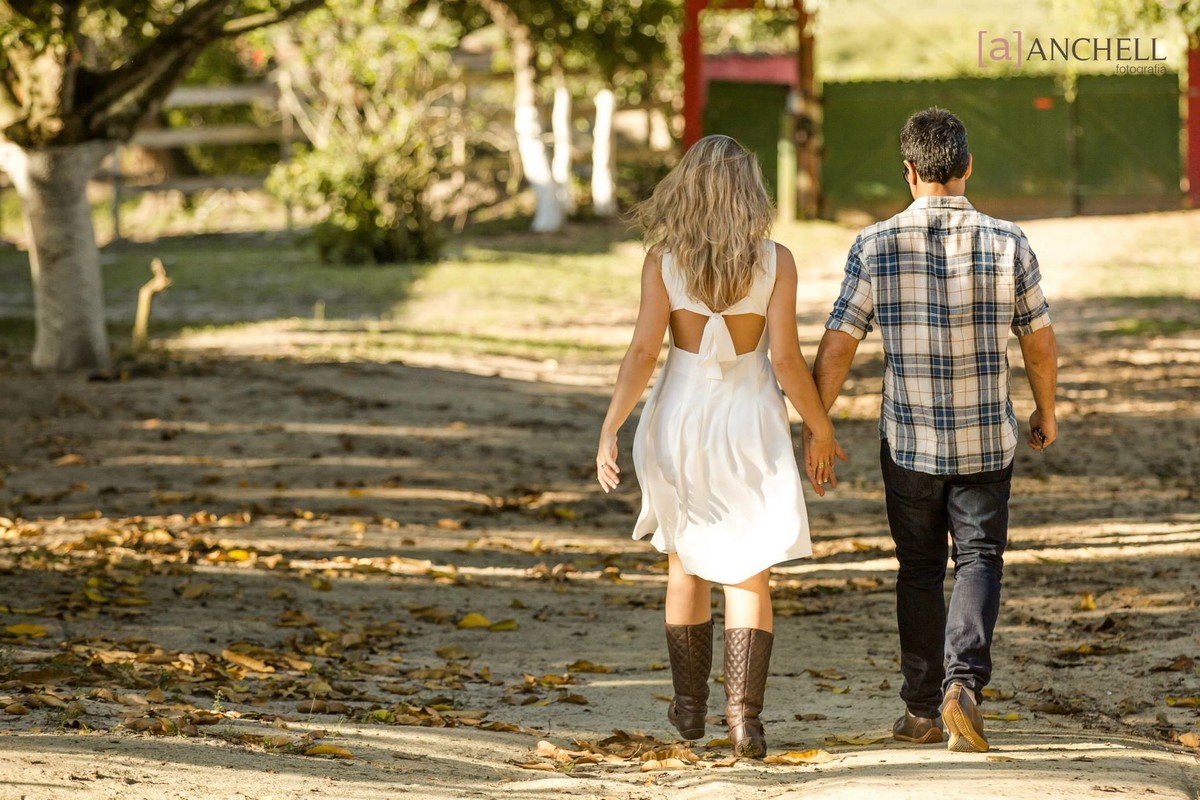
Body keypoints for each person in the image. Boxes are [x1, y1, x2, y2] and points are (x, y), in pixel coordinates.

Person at [806, 108, 1059, 753]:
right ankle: (964, 687)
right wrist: (1045, 410)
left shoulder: (875, 244)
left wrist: (818, 424)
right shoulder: (1010, 242)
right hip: (985, 441)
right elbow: (1040, 345)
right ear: (968, 167)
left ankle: (922, 708)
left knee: (918, 568)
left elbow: (839, 345)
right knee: (979, 558)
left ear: (909, 172)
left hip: (911, 444)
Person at [595, 134, 844, 759]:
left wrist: (611, 426)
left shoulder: (663, 261)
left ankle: (687, 707)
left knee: (684, 561)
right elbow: (785, 360)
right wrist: (820, 426)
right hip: (749, 419)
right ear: (750, 193)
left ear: (688, 189)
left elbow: (645, 352)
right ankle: (744, 721)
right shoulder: (774, 261)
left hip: (678, 417)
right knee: (750, 570)